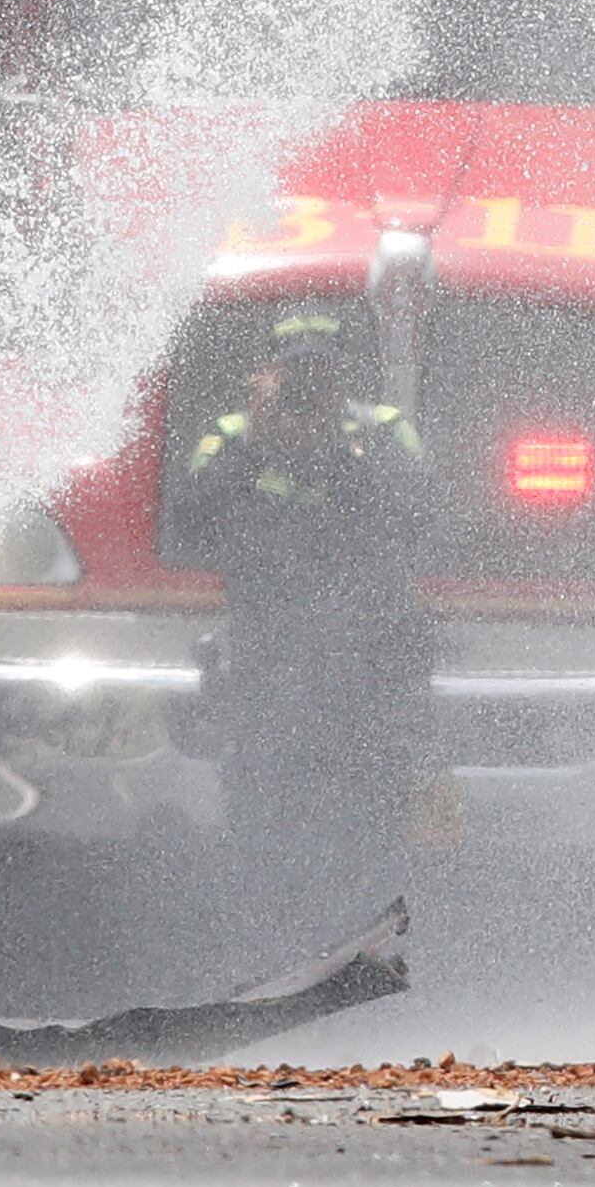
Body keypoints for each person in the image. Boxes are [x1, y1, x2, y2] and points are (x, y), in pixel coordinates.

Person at [167, 299, 434, 950]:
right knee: (261, 809)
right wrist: (259, 446)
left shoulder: (384, 428)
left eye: (321, 373)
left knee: (368, 812)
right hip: (266, 660)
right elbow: (190, 517)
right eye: (295, 374)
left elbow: (417, 509)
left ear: (346, 373)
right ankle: (266, 944)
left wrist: (340, 449)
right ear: (266, 374)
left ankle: (365, 944)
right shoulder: (234, 434)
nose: (308, 388)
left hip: (367, 664)